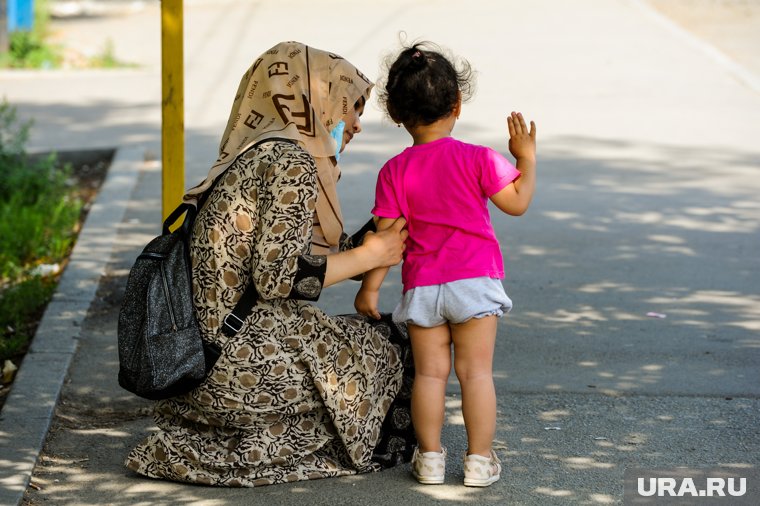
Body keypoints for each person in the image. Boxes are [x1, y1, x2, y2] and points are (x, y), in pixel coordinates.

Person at [125, 41, 417, 487]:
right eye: (351, 106)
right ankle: (319, 447)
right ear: (315, 102)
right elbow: (280, 278)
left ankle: (214, 439)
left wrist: (370, 243)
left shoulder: (256, 151)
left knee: (356, 337)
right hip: (236, 365)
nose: (357, 123)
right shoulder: (293, 160)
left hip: (192, 365)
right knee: (396, 343)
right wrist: (369, 255)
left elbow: (291, 263)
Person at [354, 42, 537, 487]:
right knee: (476, 374)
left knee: (431, 377)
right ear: (456, 104)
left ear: (397, 114)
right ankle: (478, 461)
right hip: (474, 282)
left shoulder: (395, 171)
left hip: (423, 288)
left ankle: (431, 458)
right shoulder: (477, 158)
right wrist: (526, 160)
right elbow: (516, 203)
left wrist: (370, 289)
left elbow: (387, 237)